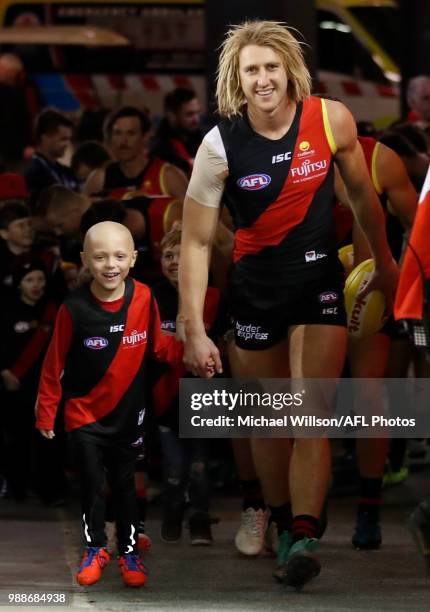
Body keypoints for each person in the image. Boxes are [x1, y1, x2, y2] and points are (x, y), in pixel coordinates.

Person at [178, 20, 398, 590]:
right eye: (252, 69)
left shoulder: (330, 119)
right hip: (254, 291)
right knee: (270, 421)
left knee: (308, 415)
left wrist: (387, 266)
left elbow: (363, 199)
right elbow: (197, 242)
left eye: (272, 67)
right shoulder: (218, 145)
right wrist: (194, 327)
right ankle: (281, 523)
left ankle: (303, 533)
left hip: (317, 285)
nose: (264, 78)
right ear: (237, 78)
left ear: (290, 71)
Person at [35, 221, 182, 588]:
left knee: (125, 485)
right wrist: (46, 411)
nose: (110, 264)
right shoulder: (73, 308)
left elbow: (160, 346)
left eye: (119, 255)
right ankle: (95, 546)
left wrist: (195, 353)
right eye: (100, 257)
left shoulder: (145, 296)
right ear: (86, 260)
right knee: (91, 483)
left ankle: (129, 551)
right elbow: (54, 364)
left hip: (129, 416)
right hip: (83, 415)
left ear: (133, 258)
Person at [152, 227, 225, 545]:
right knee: (174, 466)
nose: (174, 261)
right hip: (164, 396)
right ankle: (171, 512)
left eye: (183, 255)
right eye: (168, 255)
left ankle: (199, 521)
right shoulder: (150, 297)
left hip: (202, 397)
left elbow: (223, 343)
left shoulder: (213, 297)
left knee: (198, 465)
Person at [84, 106, 188, 201]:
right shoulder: (99, 179)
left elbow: (195, 216)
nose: (123, 141)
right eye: (118, 133)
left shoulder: (169, 176)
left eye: (131, 133)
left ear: (145, 137)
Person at [24, 109, 77, 208]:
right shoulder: (33, 173)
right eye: (63, 139)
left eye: (69, 139)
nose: (67, 144)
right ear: (45, 137)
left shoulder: (64, 170)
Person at [150, 88, 203, 176]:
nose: (196, 119)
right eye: (189, 114)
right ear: (172, 116)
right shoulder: (161, 148)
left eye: (197, 113)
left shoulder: (201, 138)